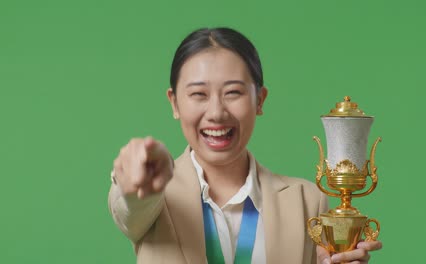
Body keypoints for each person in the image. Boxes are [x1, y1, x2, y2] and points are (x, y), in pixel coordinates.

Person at [108, 27, 382, 264]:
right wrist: (138, 181)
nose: (216, 112)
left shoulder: (307, 200)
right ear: (175, 103)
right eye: (198, 94)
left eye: (233, 92)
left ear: (259, 100)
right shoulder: (154, 192)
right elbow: (131, 207)